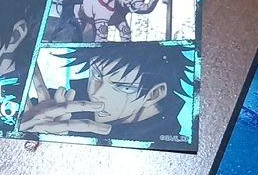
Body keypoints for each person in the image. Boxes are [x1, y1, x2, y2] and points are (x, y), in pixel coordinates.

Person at [19, 42, 193, 143]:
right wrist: (22, 129)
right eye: (96, 75)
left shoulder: (167, 143)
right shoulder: (62, 104)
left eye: (120, 86)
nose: (96, 93)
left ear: (154, 94)